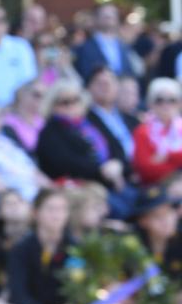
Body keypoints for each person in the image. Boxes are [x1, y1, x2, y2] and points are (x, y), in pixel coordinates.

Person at [0, 189, 78, 304]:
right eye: (51, 209)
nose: (57, 215)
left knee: (92, 302)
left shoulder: (76, 248)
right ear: (36, 213)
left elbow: (80, 290)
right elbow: (17, 292)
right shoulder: (21, 248)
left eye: (62, 209)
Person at [34, 79, 134, 218]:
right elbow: (66, 163)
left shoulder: (91, 121)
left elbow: (116, 147)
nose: (71, 105)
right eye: (64, 102)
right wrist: (101, 170)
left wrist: (117, 164)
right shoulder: (50, 133)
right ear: (52, 105)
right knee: (126, 211)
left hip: (113, 180)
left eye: (75, 100)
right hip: (83, 188)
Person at [85, 65, 139, 171]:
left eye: (110, 82)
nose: (106, 86)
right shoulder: (85, 121)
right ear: (89, 88)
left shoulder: (131, 119)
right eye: (100, 83)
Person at [132, 77, 182, 186]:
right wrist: (177, 168)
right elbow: (146, 170)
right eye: (159, 100)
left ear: (179, 104)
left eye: (172, 100)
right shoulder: (142, 131)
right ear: (150, 104)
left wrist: (167, 157)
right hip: (156, 189)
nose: (166, 105)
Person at [75, 2, 138, 80]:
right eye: (104, 15)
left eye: (112, 14)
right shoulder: (84, 48)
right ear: (96, 18)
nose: (108, 17)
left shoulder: (125, 47)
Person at [0, 81, 45, 155]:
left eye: (44, 96)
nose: (40, 100)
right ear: (22, 94)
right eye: (36, 95)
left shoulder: (42, 121)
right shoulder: (8, 122)